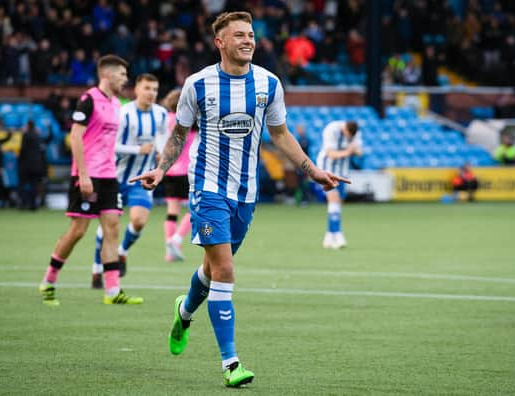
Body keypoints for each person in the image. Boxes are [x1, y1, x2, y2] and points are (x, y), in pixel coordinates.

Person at [130, 12, 348, 387]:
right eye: (239, 35)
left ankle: (184, 311)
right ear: (220, 42)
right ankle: (231, 365)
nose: (248, 40)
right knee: (226, 271)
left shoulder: (269, 82)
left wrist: (312, 171)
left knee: (212, 270)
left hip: (247, 192)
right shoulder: (197, 85)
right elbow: (179, 135)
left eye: (250, 35)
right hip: (207, 187)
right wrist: (161, 169)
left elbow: (279, 134)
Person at [38, 54, 143, 306]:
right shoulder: (88, 100)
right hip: (87, 175)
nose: (125, 79)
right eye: (121, 74)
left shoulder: (117, 104)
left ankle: (112, 291)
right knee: (77, 231)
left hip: (108, 175)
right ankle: (49, 282)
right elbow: (75, 138)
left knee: (112, 228)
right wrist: (83, 175)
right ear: (107, 74)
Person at [91, 73, 168, 288]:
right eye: (147, 88)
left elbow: (162, 139)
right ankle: (97, 269)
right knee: (109, 226)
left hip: (141, 178)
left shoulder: (161, 114)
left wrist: (161, 153)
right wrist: (137, 149)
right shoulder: (123, 114)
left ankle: (122, 251)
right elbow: (110, 145)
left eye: (154, 89)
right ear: (136, 89)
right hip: (114, 178)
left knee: (139, 220)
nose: (151, 93)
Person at [315, 120, 362, 249]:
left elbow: (360, 152)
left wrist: (354, 150)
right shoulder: (332, 130)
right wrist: (348, 151)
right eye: (348, 135)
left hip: (342, 172)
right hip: (327, 169)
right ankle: (338, 234)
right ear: (345, 129)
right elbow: (331, 154)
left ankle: (329, 235)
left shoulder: (355, 133)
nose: (349, 138)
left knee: (337, 204)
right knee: (334, 199)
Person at [161, 88, 196, 262]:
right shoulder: (189, 122)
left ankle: (170, 251)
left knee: (172, 211)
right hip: (186, 170)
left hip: (167, 170)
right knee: (196, 208)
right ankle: (176, 239)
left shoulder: (164, 120)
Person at [18, 120, 48, 210]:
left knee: (23, 184)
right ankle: (33, 205)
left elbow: (23, 150)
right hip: (37, 165)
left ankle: (23, 204)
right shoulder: (38, 136)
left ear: (27, 126)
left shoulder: (26, 135)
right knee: (34, 185)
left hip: (26, 165)